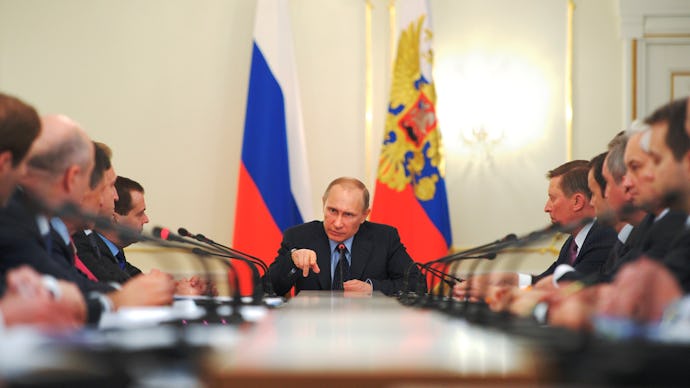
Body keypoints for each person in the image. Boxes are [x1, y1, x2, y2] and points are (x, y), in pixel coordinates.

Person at [0, 114, 175, 325]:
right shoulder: (15, 218)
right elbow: (61, 290)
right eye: (100, 183)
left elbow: (68, 285)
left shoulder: (37, 220)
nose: (113, 196)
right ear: (72, 178)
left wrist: (127, 295)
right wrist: (116, 300)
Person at [453, 161, 617, 301]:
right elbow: (547, 280)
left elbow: (566, 292)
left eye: (553, 198)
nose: (547, 208)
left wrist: (492, 293)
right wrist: (508, 279)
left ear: (577, 201)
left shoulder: (603, 237)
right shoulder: (573, 242)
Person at [0, 92, 87, 330]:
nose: (24, 176)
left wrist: (42, 288)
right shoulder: (12, 216)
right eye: (24, 164)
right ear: (4, 164)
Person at [269, 177, 421, 296]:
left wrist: (372, 288)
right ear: (324, 203)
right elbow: (268, 289)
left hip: (367, 329)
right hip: (313, 328)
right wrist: (292, 261)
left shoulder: (384, 238)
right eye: (332, 211)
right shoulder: (298, 237)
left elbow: (417, 284)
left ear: (364, 215)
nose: (337, 223)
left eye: (348, 214)